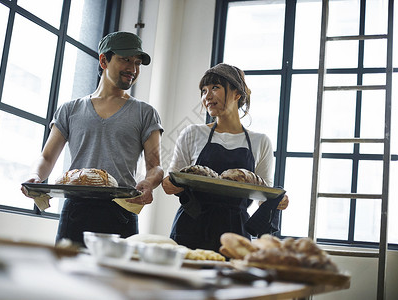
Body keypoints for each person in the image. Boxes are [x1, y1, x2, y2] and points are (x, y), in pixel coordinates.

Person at [22, 31, 164, 245]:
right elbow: (47, 157)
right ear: (103, 60)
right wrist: (35, 176)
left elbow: (156, 166)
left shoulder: (146, 113)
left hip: (122, 213)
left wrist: (149, 182)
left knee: (117, 278)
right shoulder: (69, 109)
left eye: (137, 63)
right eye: (125, 59)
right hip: (76, 211)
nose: (133, 69)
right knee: (68, 275)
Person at [162, 63, 289, 252]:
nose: (207, 96)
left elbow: (264, 194)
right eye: (204, 91)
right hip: (192, 225)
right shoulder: (192, 133)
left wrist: (278, 201)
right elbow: (170, 182)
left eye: (215, 88)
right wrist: (171, 183)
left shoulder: (260, 141)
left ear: (237, 93)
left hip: (235, 232)